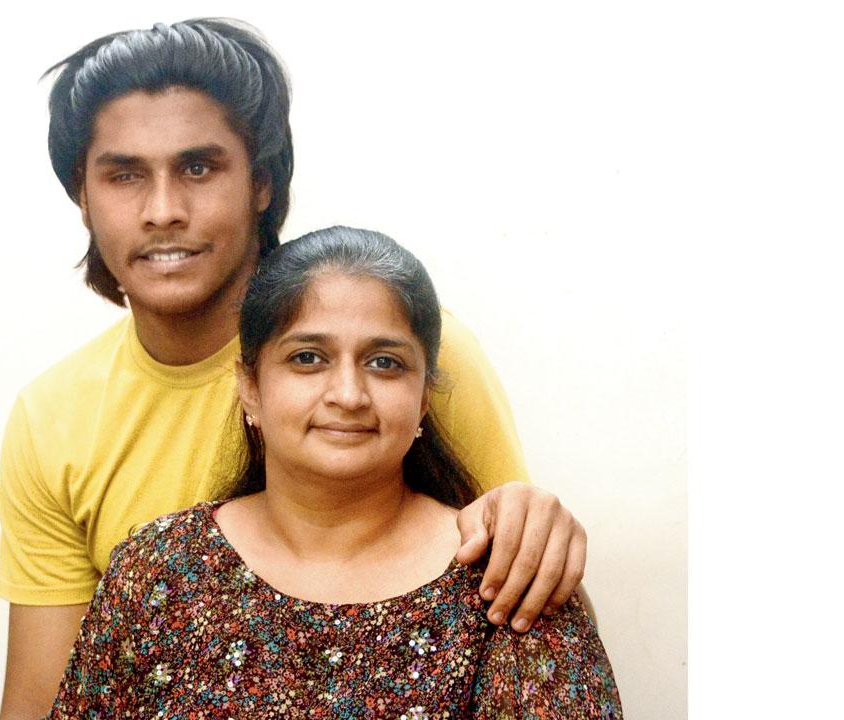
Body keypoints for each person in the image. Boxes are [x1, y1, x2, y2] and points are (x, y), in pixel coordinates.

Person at [0, 19, 589, 718]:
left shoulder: (403, 360)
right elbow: (44, 700)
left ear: (262, 184)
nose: (163, 211)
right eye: (125, 175)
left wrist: (535, 524)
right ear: (82, 195)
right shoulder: (54, 418)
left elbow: (517, 601)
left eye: (198, 167)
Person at [49, 227, 621, 718]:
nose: (348, 394)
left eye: (384, 363)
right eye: (308, 358)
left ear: (425, 397)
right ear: (250, 387)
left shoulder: (504, 581)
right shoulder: (157, 575)